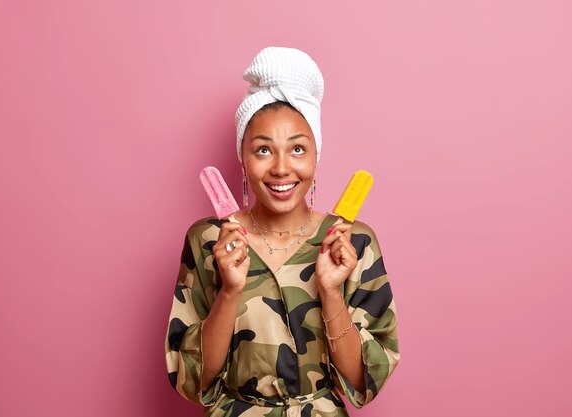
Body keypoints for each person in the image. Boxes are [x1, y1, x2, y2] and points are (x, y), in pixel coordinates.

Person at [164, 46, 400, 417]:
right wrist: (230, 291)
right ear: (242, 156)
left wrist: (330, 292)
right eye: (262, 150)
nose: (280, 168)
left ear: (315, 156)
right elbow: (194, 382)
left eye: (297, 149)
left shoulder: (353, 243)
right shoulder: (209, 240)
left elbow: (362, 381)